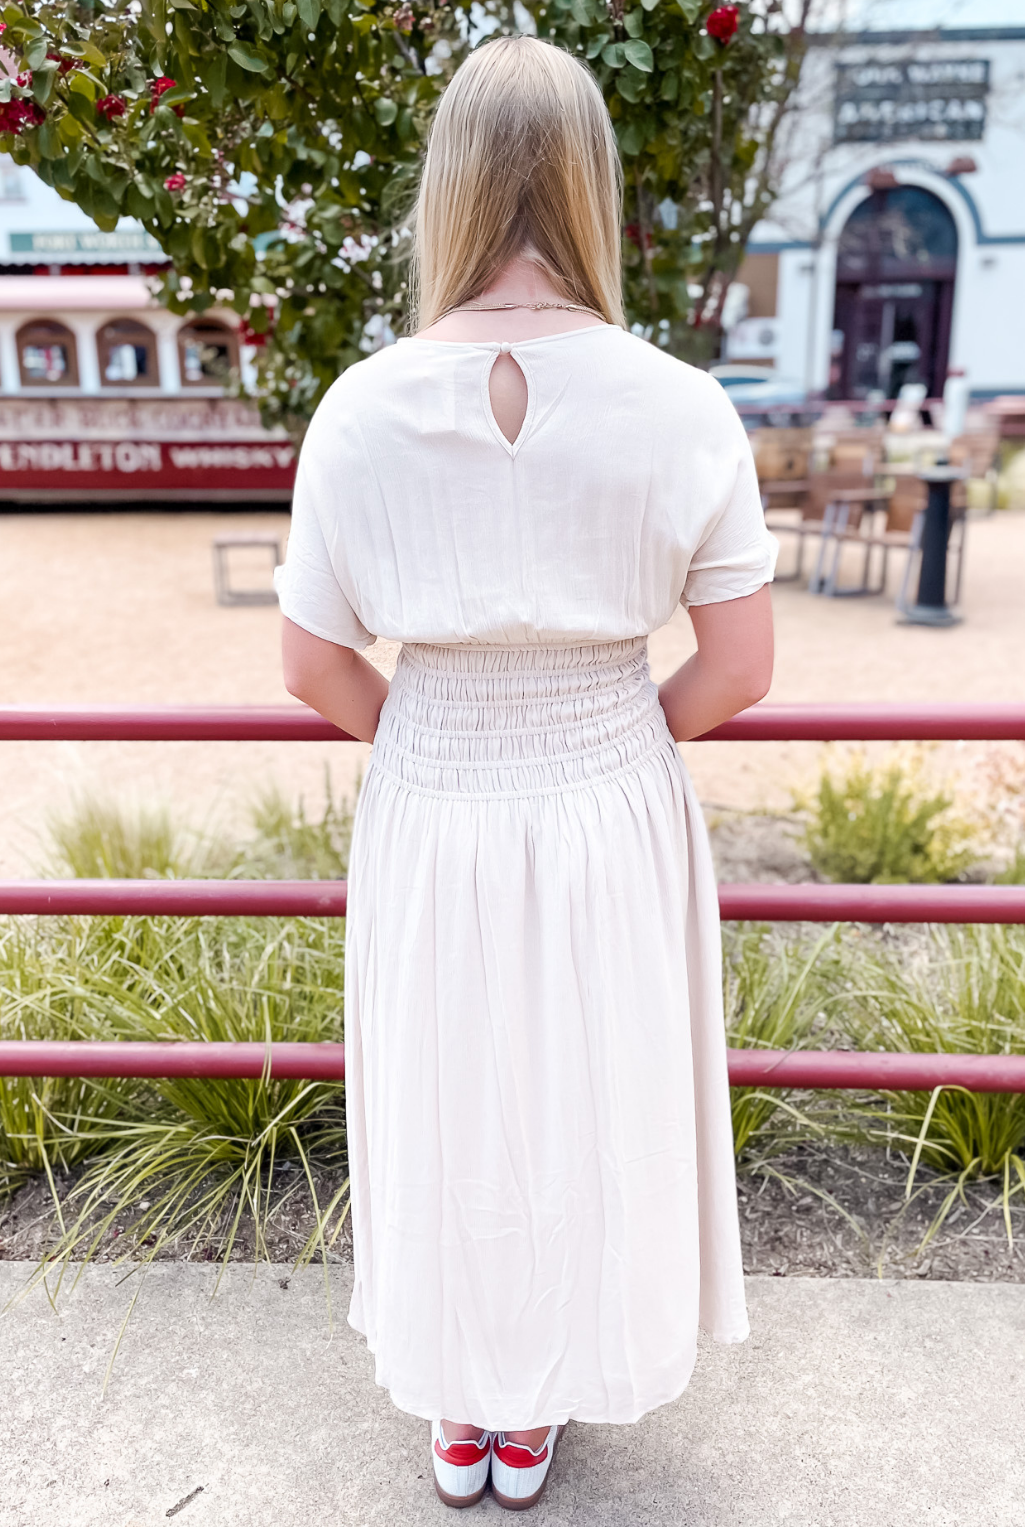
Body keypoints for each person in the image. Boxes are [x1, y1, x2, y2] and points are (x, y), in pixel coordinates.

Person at [275, 34, 776, 1513]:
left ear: (446, 188)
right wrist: (603, 737)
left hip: (427, 787)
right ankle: (546, 1385)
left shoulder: (360, 407)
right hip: (616, 779)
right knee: (591, 1085)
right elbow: (740, 665)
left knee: (443, 1083)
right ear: (592, 184)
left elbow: (310, 666)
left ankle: (463, 1409)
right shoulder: (681, 402)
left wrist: (441, 736)